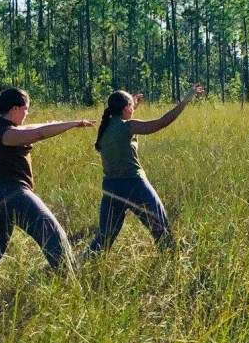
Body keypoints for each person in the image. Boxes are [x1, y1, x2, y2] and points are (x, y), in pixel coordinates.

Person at [0, 88, 93, 297]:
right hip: (12, 195)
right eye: (26, 109)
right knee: (54, 236)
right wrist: (71, 125)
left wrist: (71, 123)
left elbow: (36, 127)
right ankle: (75, 291)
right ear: (15, 108)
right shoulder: (5, 133)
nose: (27, 114)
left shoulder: (0, 128)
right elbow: (37, 133)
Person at [87, 83, 205, 256]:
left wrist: (131, 104)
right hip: (134, 185)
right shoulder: (128, 126)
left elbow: (123, 119)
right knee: (161, 230)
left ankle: (75, 267)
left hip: (111, 188)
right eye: (130, 105)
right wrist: (185, 100)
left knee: (103, 239)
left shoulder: (106, 128)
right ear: (125, 108)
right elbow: (161, 123)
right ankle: (171, 262)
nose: (133, 108)